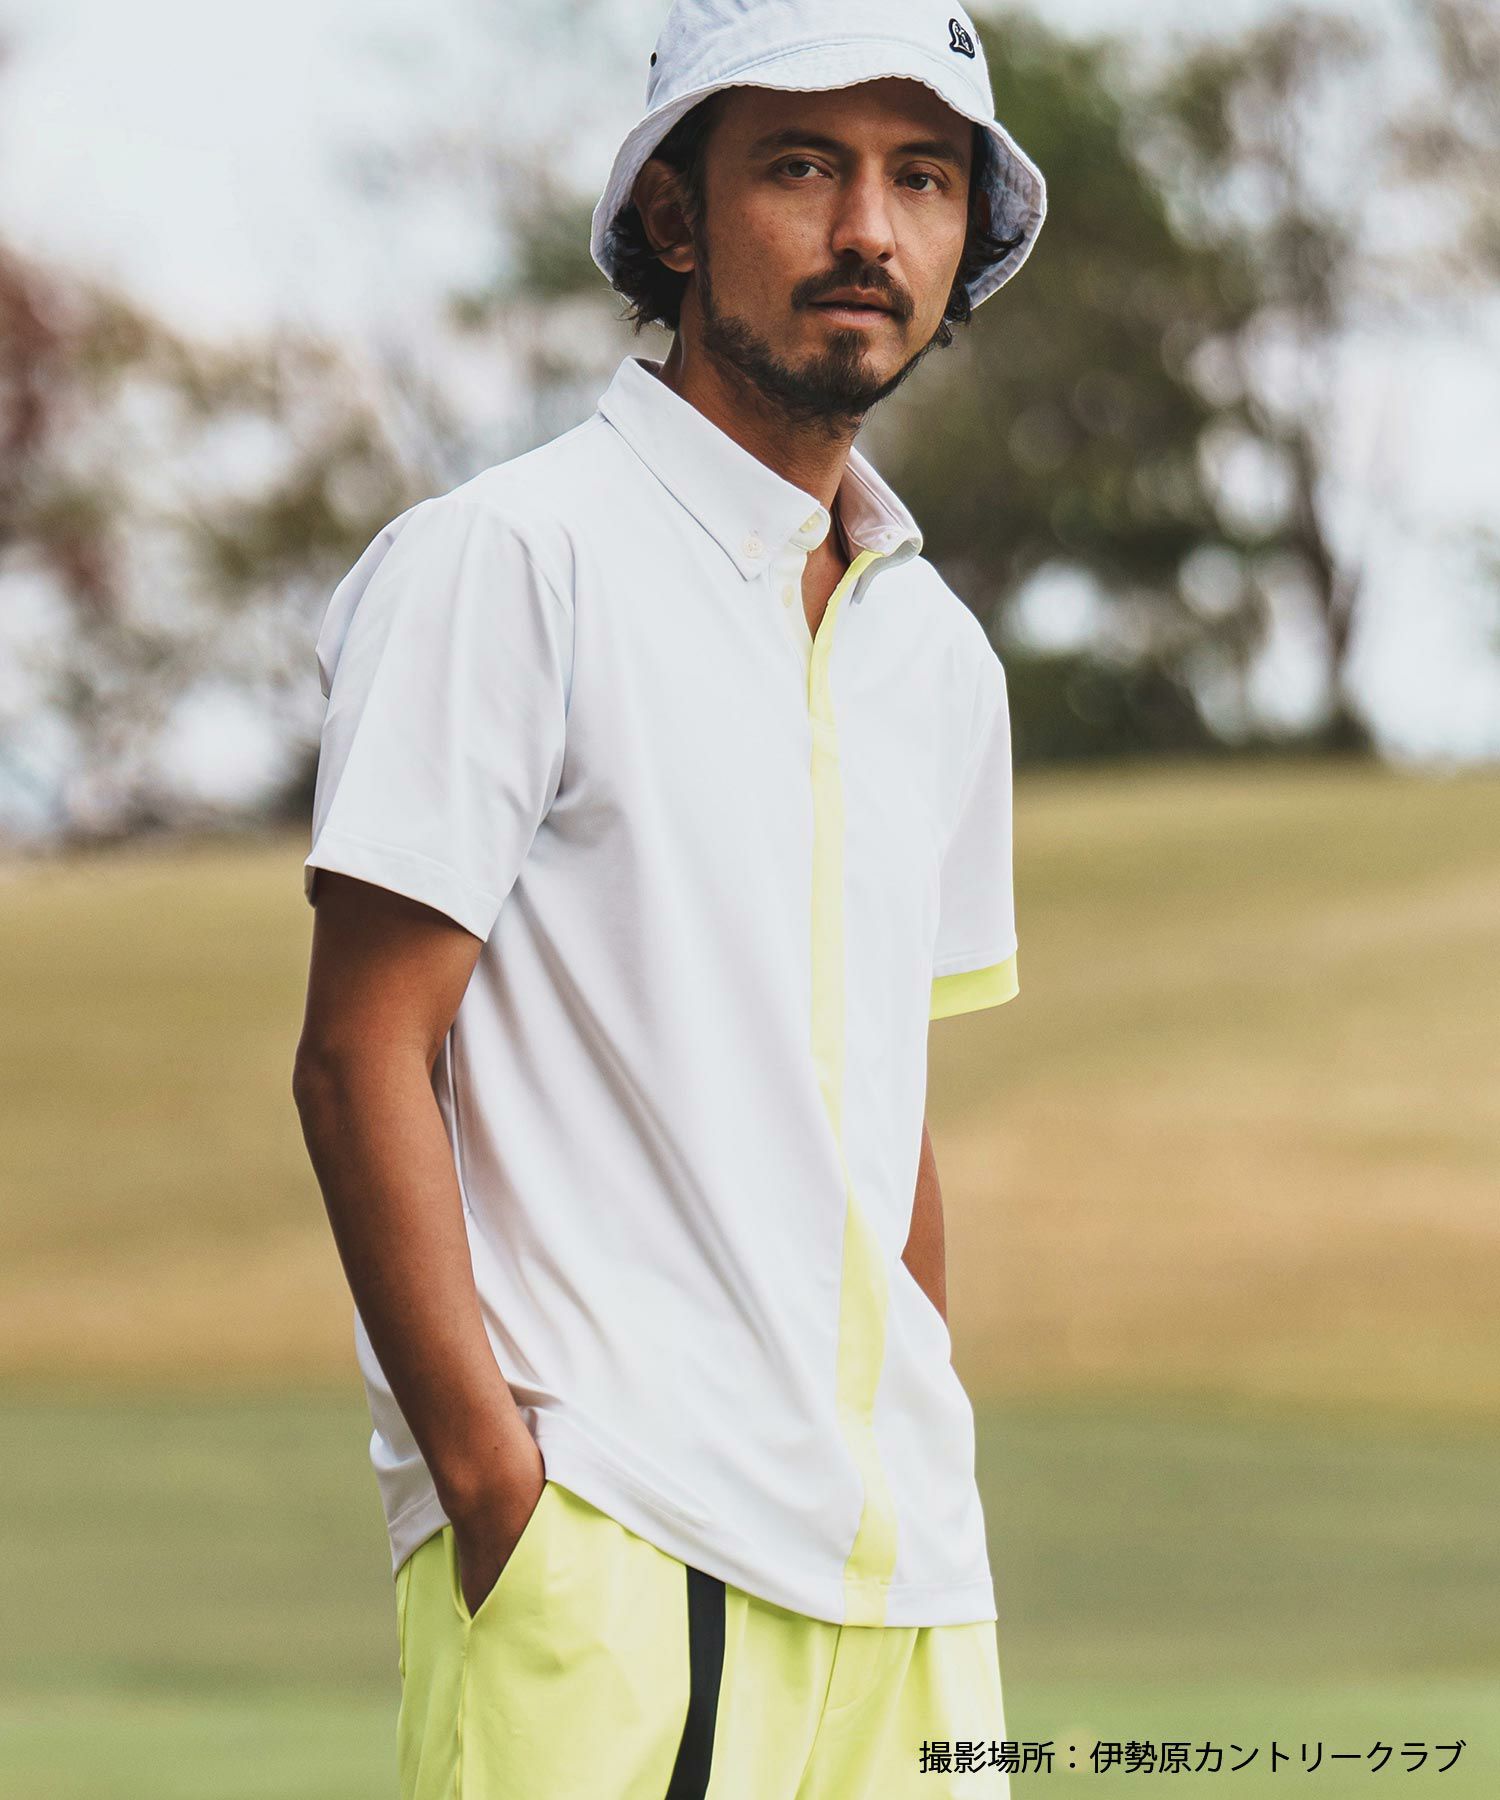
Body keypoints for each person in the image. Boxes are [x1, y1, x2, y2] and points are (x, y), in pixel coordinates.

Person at [292, 1, 1046, 1793]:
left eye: (922, 179)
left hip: (913, 1593)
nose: (868, 230)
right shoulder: (510, 560)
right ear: (674, 215)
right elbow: (360, 1055)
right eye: (802, 166)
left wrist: (929, 1454)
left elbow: (884, 1122)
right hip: (616, 1549)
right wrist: (494, 1490)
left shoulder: (938, 653)